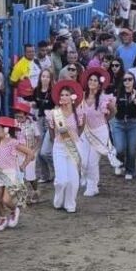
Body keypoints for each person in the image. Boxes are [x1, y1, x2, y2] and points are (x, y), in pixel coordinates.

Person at [0, 116, 35, 230]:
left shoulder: (13, 142)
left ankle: (14, 210)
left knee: (6, 200)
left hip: (11, 173)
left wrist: (22, 166)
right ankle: (2, 218)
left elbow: (30, 153)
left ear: (5, 130)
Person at [77, 67, 116, 196]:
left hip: (99, 132)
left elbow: (113, 111)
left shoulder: (104, 98)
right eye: (91, 80)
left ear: (99, 84)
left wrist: (104, 120)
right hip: (85, 132)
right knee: (83, 159)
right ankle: (86, 180)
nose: (92, 82)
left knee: (92, 160)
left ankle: (92, 186)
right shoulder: (81, 96)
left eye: (95, 81)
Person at [48, 81, 84, 210]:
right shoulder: (55, 113)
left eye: (66, 94)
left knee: (73, 180)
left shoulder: (78, 113)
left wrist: (76, 137)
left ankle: (70, 204)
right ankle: (58, 198)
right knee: (62, 180)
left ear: (72, 97)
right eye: (62, 95)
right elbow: (51, 128)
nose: (63, 97)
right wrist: (54, 139)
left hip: (73, 147)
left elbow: (81, 126)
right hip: (59, 148)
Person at [110, 71, 136, 180]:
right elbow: (112, 109)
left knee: (131, 149)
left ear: (133, 81)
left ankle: (130, 170)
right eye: (125, 79)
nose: (127, 81)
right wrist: (112, 107)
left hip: (133, 123)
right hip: (118, 123)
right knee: (120, 148)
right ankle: (120, 163)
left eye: (130, 79)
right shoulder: (118, 92)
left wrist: (134, 100)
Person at [24, 68, 55, 183]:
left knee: (45, 152)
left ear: (51, 79)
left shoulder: (53, 91)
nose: (45, 79)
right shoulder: (37, 90)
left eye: (47, 76)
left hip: (51, 122)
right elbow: (36, 104)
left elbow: (57, 107)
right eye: (43, 76)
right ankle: (45, 175)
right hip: (40, 121)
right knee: (38, 152)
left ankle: (58, 171)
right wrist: (31, 104)